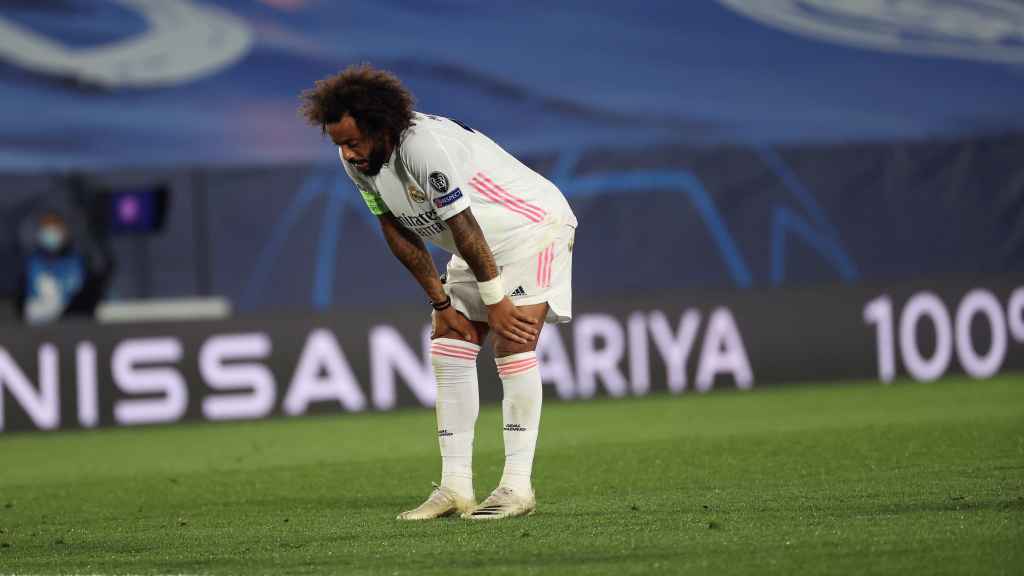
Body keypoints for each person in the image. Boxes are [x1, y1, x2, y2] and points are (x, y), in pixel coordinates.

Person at [300, 64, 577, 520]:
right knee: (450, 342)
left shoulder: (423, 146)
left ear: (381, 126)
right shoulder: (360, 161)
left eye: (352, 142)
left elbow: (461, 223)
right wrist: (441, 302)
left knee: (513, 341)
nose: (347, 154)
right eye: (339, 145)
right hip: (477, 245)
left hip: (531, 228)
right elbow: (393, 227)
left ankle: (515, 487)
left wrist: (496, 301)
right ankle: (454, 489)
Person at [16, 211, 107, 325]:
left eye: (55, 229)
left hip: (74, 324)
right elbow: (20, 302)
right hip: (37, 328)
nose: (51, 234)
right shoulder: (30, 264)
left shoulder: (80, 262)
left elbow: (89, 296)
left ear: (65, 232)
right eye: (46, 229)